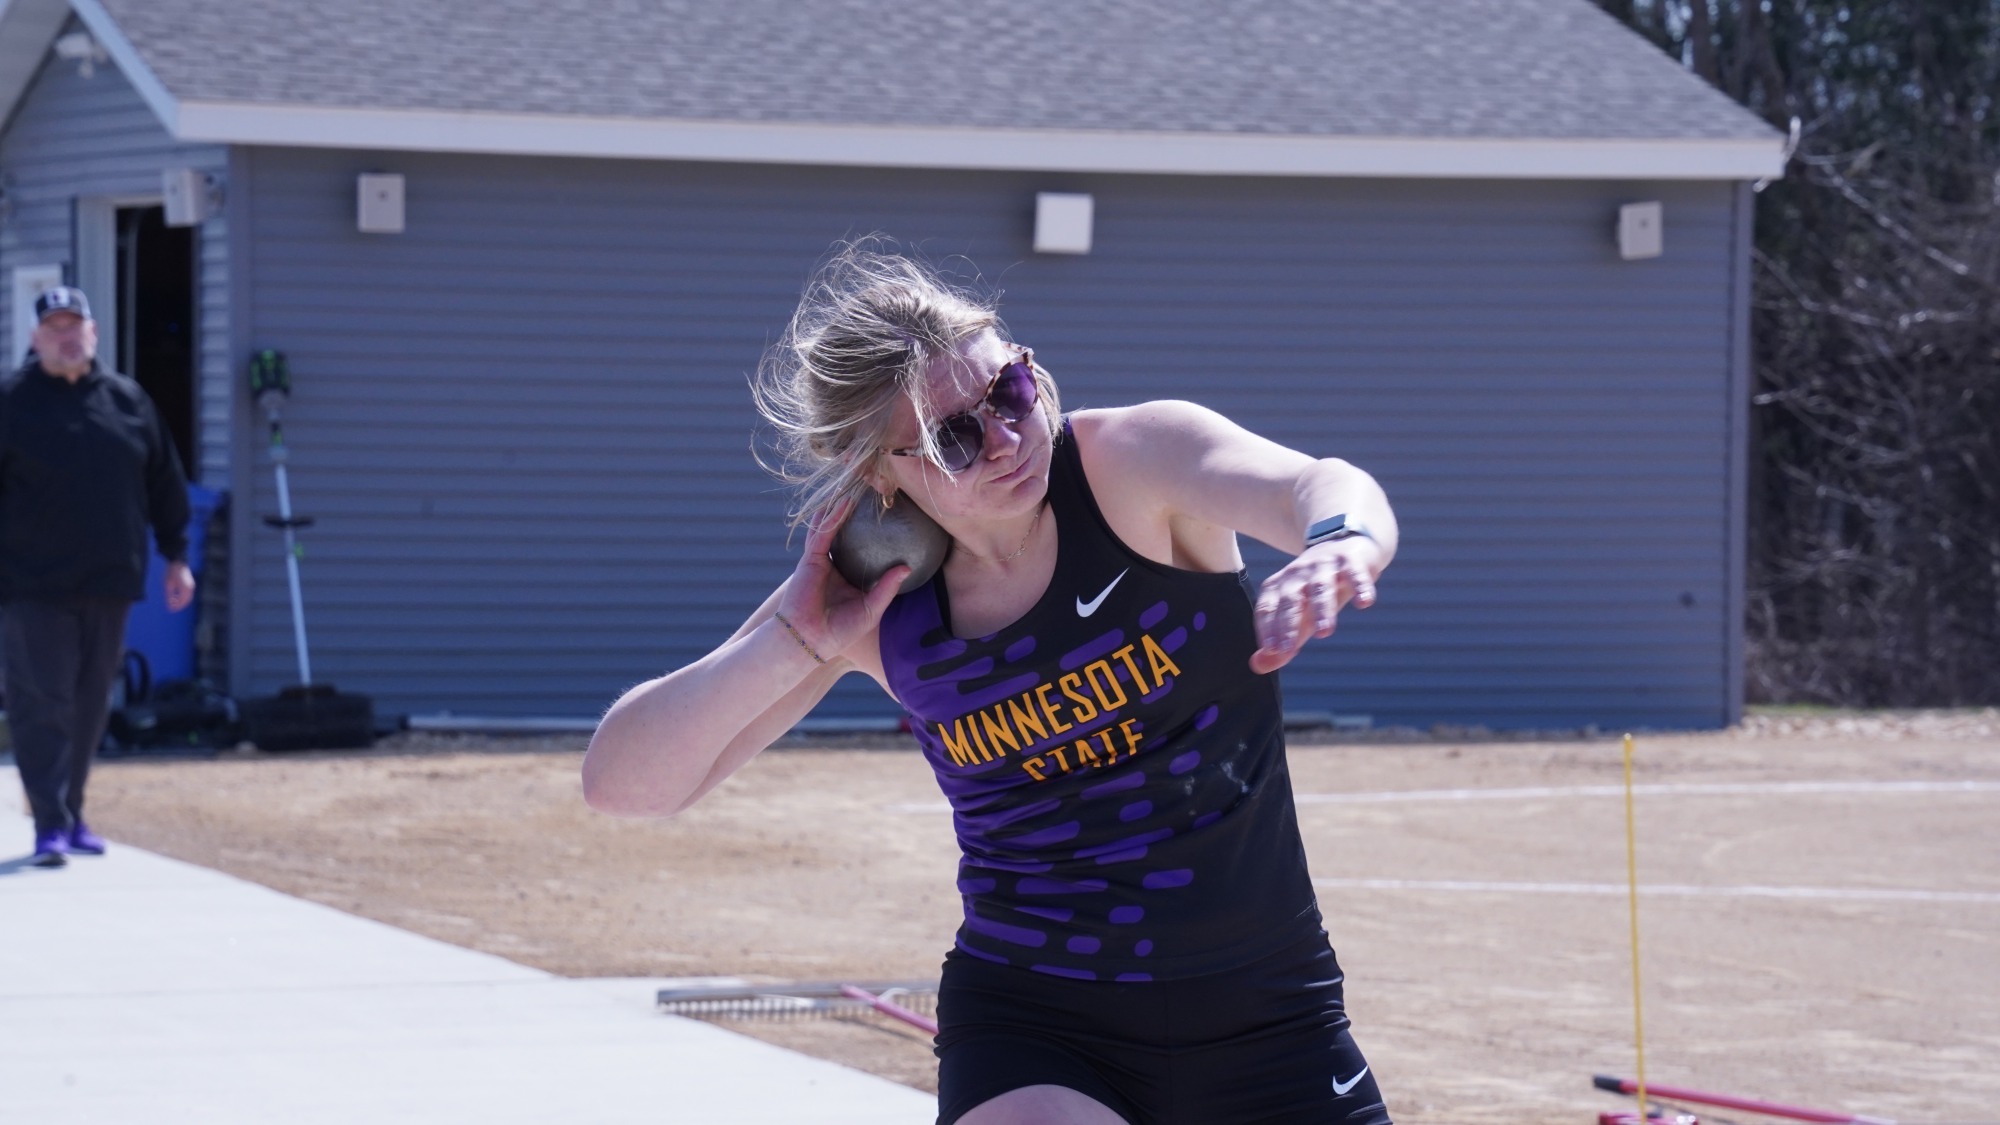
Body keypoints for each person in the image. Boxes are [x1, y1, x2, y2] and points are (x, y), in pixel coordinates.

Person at [584, 246, 1399, 1124]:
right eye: (954, 439)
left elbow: (1320, 483)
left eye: (1008, 393)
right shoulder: (877, 599)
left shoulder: (1132, 469)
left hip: (1270, 1010)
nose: (1007, 439)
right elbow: (624, 786)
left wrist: (1339, 540)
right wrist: (794, 639)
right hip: (1036, 1026)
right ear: (878, 474)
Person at [1, 286, 193, 868]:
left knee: (89, 703)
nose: (66, 336)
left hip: (110, 577)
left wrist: (176, 555)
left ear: (93, 333)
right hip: (30, 581)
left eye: (74, 326)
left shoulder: (128, 401)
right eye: (54, 327)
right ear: (36, 339)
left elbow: (165, 481)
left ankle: (73, 810)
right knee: (43, 699)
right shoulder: (11, 401)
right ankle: (50, 823)